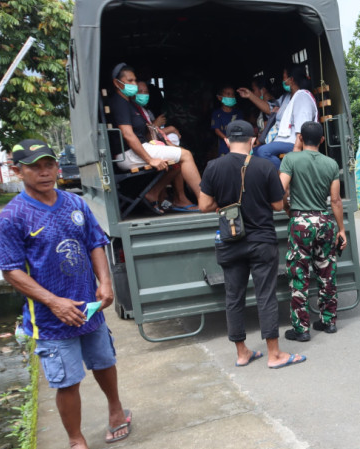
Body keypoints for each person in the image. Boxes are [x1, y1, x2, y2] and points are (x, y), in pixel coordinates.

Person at [0, 140, 132, 449]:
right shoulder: (12, 216)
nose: (45, 172)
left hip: (89, 308)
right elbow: (11, 270)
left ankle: (116, 410)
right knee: (66, 379)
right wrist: (54, 302)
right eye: (34, 166)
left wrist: (105, 283)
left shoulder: (75, 202)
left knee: (104, 360)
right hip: (50, 318)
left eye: (49, 165)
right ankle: (76, 440)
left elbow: (96, 243)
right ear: (18, 171)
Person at [198, 120, 306, 370]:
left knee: (233, 297)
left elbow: (204, 205)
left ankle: (242, 352)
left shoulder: (213, 167)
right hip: (261, 241)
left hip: (229, 240)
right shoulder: (265, 166)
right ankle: (274, 354)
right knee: (265, 295)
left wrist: (224, 205)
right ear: (253, 141)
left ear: (226, 141)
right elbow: (279, 205)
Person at [278, 122, 346, 342]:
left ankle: (301, 328)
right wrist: (341, 229)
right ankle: (329, 321)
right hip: (324, 221)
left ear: (300, 138)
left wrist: (288, 208)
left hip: (300, 222)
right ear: (322, 140)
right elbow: (335, 200)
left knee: (299, 274)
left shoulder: (290, 159)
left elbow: (280, 191)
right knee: (326, 272)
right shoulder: (331, 163)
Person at [109, 63, 201, 213]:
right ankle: (205, 200)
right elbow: (128, 135)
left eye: (134, 80)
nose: (134, 84)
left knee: (178, 159)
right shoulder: (119, 103)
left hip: (139, 149)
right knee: (186, 155)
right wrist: (150, 159)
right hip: (128, 154)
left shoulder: (128, 103)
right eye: (130, 81)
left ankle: (154, 193)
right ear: (116, 83)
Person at [253, 65, 318, 164]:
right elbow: (270, 108)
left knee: (263, 152)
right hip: (280, 140)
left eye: (284, 77)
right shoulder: (286, 98)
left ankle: (281, 174)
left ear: (291, 79)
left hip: (292, 142)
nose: (282, 81)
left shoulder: (302, 97)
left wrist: (296, 151)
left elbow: (303, 129)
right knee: (253, 152)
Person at [210, 85, 243, 156]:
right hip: (224, 145)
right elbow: (217, 130)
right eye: (228, 94)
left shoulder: (238, 113)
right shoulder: (217, 113)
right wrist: (227, 140)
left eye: (232, 94)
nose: (231, 96)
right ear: (219, 98)